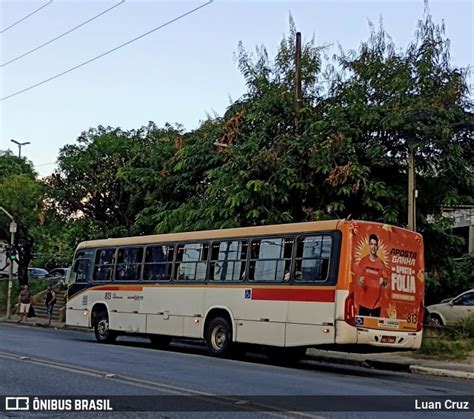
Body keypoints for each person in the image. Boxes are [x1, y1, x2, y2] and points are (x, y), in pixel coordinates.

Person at [355, 234, 388, 317]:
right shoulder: (363, 261)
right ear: (369, 245)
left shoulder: (381, 264)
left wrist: (383, 281)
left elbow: (386, 282)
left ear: (378, 247)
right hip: (364, 303)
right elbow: (357, 280)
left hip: (377, 304)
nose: (373, 247)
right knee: (361, 328)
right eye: (372, 244)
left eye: (375, 244)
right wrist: (360, 281)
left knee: (374, 329)